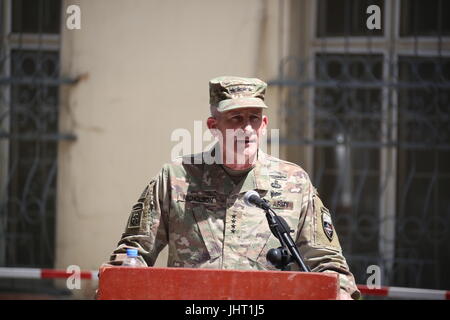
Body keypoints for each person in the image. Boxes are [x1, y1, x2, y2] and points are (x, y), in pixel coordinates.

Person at [104, 76, 360, 300]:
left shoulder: (294, 182)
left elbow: (327, 262)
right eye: (236, 118)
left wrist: (340, 291)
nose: (247, 129)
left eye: (254, 118)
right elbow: (133, 251)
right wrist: (123, 281)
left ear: (264, 125)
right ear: (214, 126)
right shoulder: (176, 178)